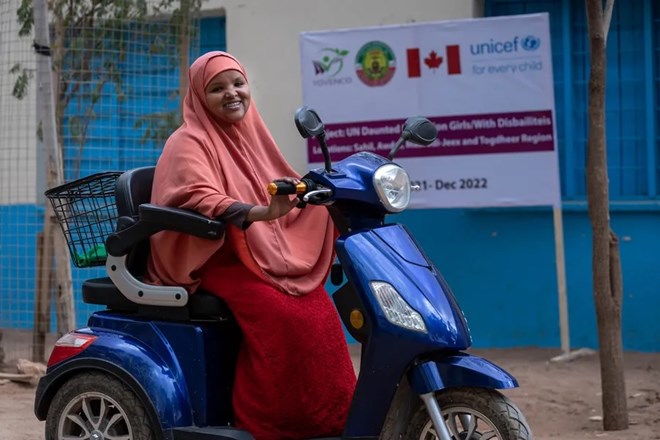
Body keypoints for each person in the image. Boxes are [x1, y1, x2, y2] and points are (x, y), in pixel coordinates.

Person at [146, 51, 357, 439]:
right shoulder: (187, 142)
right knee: (282, 315)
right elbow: (200, 197)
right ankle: (269, 424)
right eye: (217, 88)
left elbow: (283, 184)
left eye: (238, 83)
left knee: (318, 307)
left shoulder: (251, 135)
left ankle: (332, 420)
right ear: (199, 97)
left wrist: (319, 195)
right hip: (213, 256)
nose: (231, 93)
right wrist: (261, 212)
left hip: (254, 250)